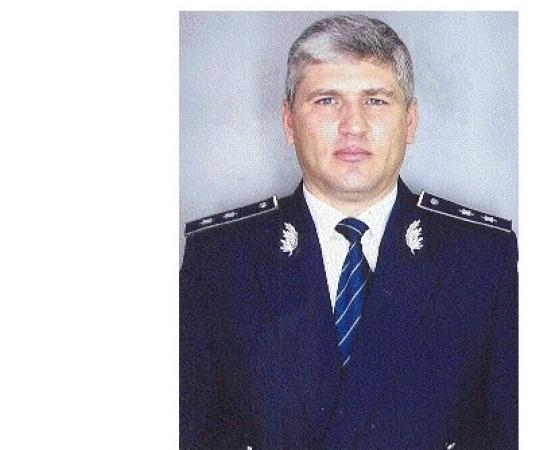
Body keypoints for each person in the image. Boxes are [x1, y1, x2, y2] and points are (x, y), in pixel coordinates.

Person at [180, 14, 517, 450]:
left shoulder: (481, 260)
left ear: (410, 121)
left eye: (375, 100)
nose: (353, 125)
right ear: (288, 122)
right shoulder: (220, 262)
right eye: (326, 101)